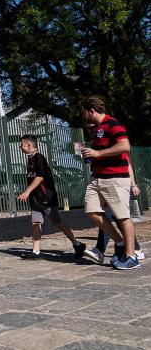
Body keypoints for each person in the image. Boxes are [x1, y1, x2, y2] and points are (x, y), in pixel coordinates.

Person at [78, 95, 139, 270]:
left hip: (115, 178)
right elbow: (102, 151)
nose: (84, 118)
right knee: (91, 211)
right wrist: (91, 154)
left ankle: (131, 256)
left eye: (84, 114)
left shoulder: (113, 124)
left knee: (122, 216)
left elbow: (124, 146)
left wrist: (97, 154)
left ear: (91, 111)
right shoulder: (96, 129)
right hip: (97, 178)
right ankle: (119, 243)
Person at [16, 135, 86, 259]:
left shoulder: (39, 158)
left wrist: (27, 191)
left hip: (46, 198)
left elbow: (40, 177)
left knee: (58, 222)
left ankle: (77, 244)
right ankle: (35, 251)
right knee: (36, 222)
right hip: (36, 198)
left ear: (29, 145)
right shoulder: (30, 159)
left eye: (21, 145)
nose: (20, 147)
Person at [87, 158, 144, 263]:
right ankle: (132, 247)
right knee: (110, 217)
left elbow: (128, 165)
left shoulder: (118, 145)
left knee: (118, 217)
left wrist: (133, 185)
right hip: (103, 182)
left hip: (117, 182)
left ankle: (102, 250)